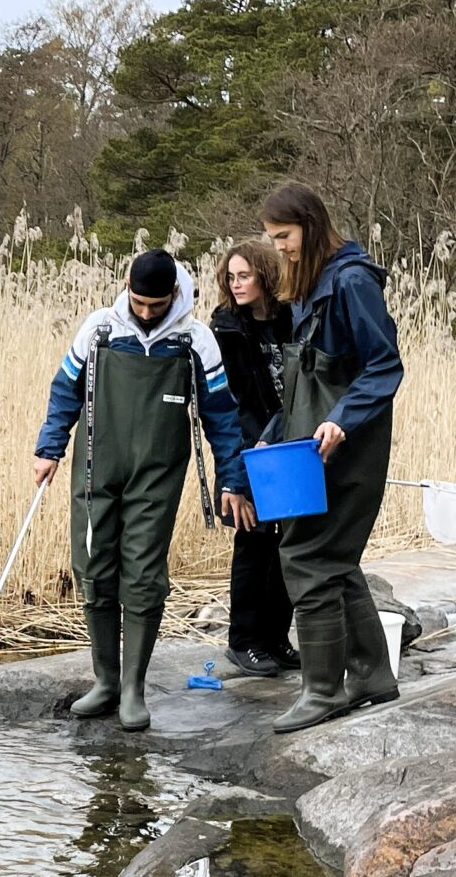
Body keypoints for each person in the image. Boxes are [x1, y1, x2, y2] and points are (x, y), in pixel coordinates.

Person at [33, 248, 253, 733]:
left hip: (157, 475)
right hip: (96, 467)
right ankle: (105, 682)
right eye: (139, 302)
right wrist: (49, 447)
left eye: (157, 304)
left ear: (174, 293)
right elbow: (65, 389)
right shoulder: (100, 330)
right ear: (127, 290)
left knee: (143, 575)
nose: (148, 312)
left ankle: (133, 687)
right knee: (92, 566)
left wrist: (231, 477)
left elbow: (221, 415)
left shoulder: (195, 341)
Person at [258, 183, 404, 733]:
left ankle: (322, 690)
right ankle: (371, 675)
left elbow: (385, 366)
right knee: (334, 557)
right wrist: (275, 432)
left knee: (308, 555)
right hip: (306, 446)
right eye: (273, 239)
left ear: (310, 226)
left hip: (349, 446)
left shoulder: (352, 281)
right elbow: (301, 385)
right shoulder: (314, 283)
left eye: (285, 237)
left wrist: (343, 420)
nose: (280, 249)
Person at [209, 238, 297, 677]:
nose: (237, 283)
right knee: (253, 539)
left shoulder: (291, 319)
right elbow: (230, 404)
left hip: (290, 443)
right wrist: (239, 473)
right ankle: (243, 641)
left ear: (266, 275)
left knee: (287, 540)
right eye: (231, 276)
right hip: (248, 448)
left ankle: (277, 638)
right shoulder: (225, 328)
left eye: (245, 275)